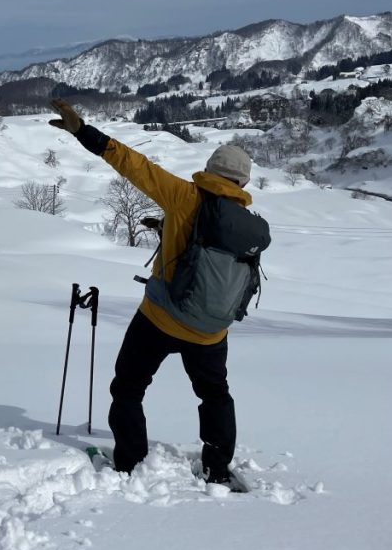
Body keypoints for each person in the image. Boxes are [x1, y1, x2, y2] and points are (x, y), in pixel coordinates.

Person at [48, 98, 255, 484]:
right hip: (212, 331)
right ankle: (217, 468)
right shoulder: (247, 223)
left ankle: (130, 461)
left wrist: (82, 131)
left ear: (209, 170)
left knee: (128, 387)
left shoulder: (183, 196)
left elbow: (131, 162)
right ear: (242, 184)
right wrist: (169, 231)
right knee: (214, 395)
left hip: (160, 318)